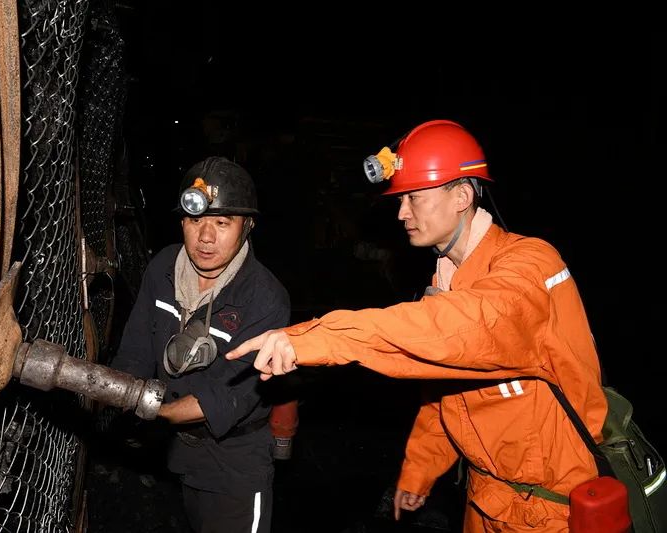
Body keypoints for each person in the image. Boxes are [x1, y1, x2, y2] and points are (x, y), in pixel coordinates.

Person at [226, 120, 608, 532]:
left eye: (415, 197)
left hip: (552, 508)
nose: (402, 212)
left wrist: (319, 338)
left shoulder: (529, 266)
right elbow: (447, 392)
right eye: (401, 199)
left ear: (462, 196)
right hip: (486, 499)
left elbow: (462, 327)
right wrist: (419, 471)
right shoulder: (448, 280)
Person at [111, 156, 293, 533]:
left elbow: (225, 398)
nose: (205, 237)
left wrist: (153, 413)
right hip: (179, 451)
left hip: (235, 464)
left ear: (247, 226)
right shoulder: (163, 268)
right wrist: (122, 395)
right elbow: (135, 350)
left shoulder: (265, 299)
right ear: (182, 221)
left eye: (222, 223)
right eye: (195, 221)